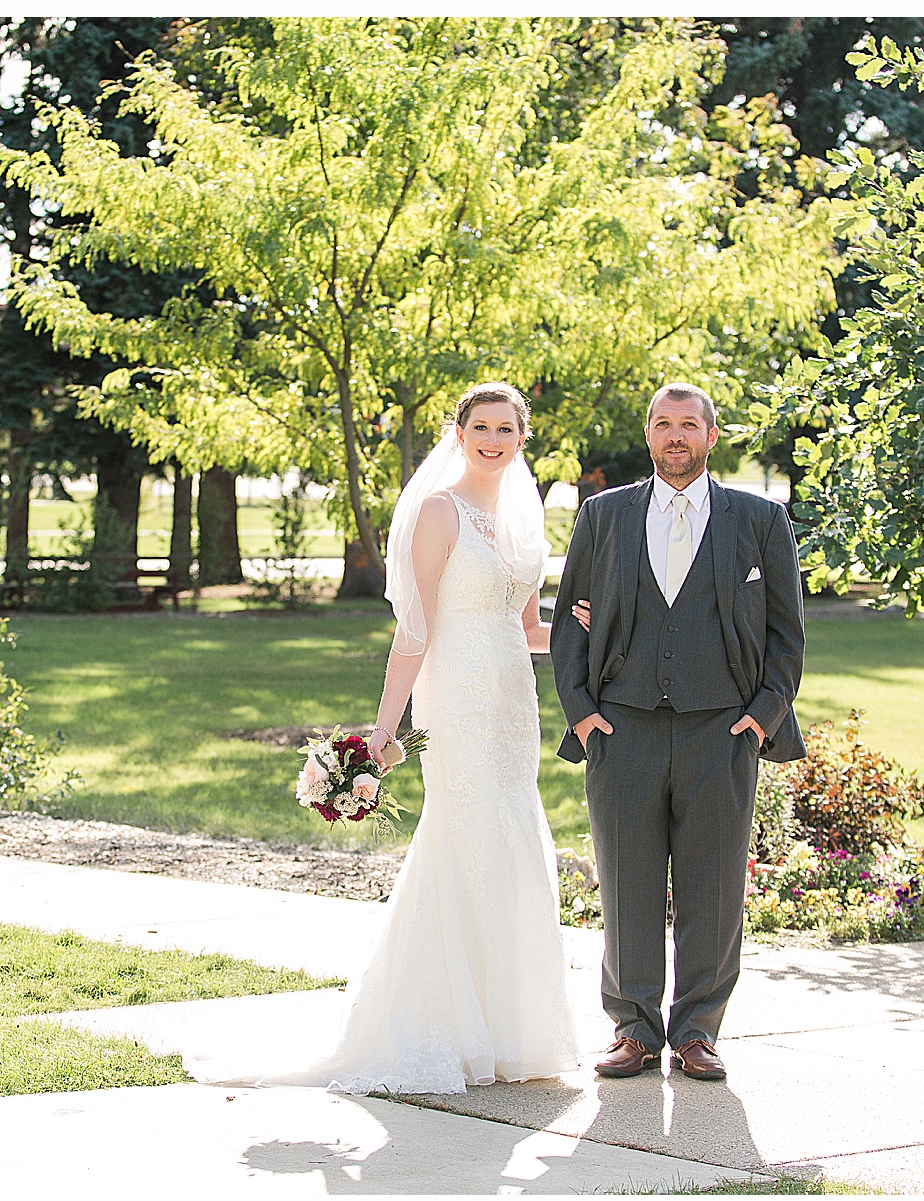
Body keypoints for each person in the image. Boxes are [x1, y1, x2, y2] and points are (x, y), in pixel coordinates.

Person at [184, 384, 579, 1095]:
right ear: (458, 434)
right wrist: (385, 731)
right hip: (453, 697)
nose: (493, 439)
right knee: (464, 835)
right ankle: (438, 1029)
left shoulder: (524, 521)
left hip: (512, 702)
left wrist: (599, 629)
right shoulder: (438, 510)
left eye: (506, 428)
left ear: (525, 436)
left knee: (513, 833)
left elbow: (528, 631)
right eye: (480, 427)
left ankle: (508, 1031)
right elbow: (414, 631)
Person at [549, 385, 807, 1084]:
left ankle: (697, 1031)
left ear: (711, 435)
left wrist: (763, 715)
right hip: (622, 730)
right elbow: (568, 623)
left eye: (688, 424)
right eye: (663, 423)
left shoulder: (758, 519)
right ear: (648, 432)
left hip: (721, 732)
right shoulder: (604, 516)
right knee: (627, 885)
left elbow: (787, 634)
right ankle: (633, 1029)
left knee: (715, 890)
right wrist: (580, 711)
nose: (674, 435)